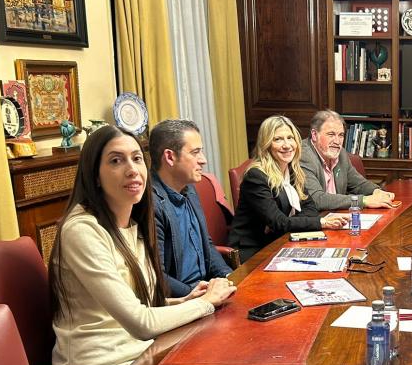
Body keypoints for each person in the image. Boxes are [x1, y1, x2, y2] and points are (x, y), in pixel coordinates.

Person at [49, 125, 236, 365]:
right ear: (94, 175)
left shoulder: (133, 224)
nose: (132, 169)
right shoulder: (82, 230)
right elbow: (141, 323)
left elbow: (141, 306)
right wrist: (205, 303)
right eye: (116, 160)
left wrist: (187, 300)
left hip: (140, 359)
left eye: (137, 159)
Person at [230, 115, 349, 263]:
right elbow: (279, 223)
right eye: (278, 139)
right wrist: (321, 222)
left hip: (281, 241)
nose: (287, 145)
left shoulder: (292, 171)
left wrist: (286, 223)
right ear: (266, 144)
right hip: (254, 252)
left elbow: (310, 209)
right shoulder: (256, 176)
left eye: (290, 138)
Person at [148, 119, 234, 297]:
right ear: (170, 157)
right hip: (182, 301)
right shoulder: (150, 204)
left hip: (207, 291)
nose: (203, 160)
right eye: (195, 152)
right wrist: (199, 296)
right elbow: (156, 276)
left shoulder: (190, 189)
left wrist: (228, 277)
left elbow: (207, 246)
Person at [300, 110, 395, 211]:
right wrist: (364, 201)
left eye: (341, 135)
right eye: (331, 134)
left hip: (337, 216)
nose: (337, 141)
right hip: (316, 220)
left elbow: (358, 183)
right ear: (314, 135)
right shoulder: (303, 155)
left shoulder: (341, 154)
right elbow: (317, 199)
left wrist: (376, 191)